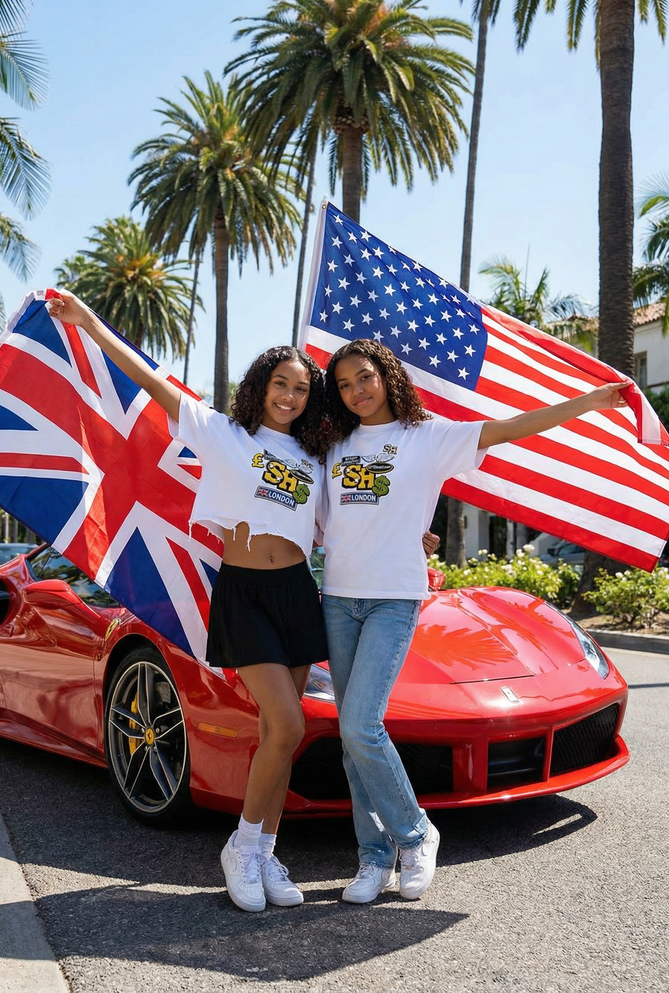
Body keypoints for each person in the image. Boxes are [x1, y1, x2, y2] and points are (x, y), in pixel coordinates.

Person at [46, 290, 329, 913]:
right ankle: (241, 847)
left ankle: (265, 851)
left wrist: (411, 534)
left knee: (275, 737)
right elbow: (146, 379)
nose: (290, 396)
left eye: (302, 389)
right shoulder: (222, 431)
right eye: (281, 383)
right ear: (261, 386)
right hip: (245, 593)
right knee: (288, 723)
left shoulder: (313, 458)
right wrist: (89, 322)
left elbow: (341, 525)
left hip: (297, 593)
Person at [320, 337, 628, 905]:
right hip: (337, 597)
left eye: (363, 377)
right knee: (350, 736)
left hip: (394, 598)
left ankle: (416, 833)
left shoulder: (428, 437)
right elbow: (324, 522)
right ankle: (372, 856)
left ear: (386, 375)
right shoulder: (333, 444)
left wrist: (586, 403)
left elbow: (508, 428)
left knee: (362, 724)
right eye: (343, 384)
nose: (355, 391)